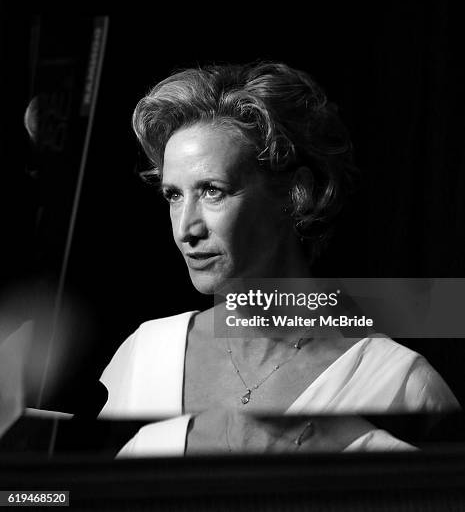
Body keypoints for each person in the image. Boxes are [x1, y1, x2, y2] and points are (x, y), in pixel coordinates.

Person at [99, 62, 459, 456]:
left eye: (212, 191)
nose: (187, 227)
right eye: (174, 195)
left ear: (295, 194)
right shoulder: (145, 355)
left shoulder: (400, 383)